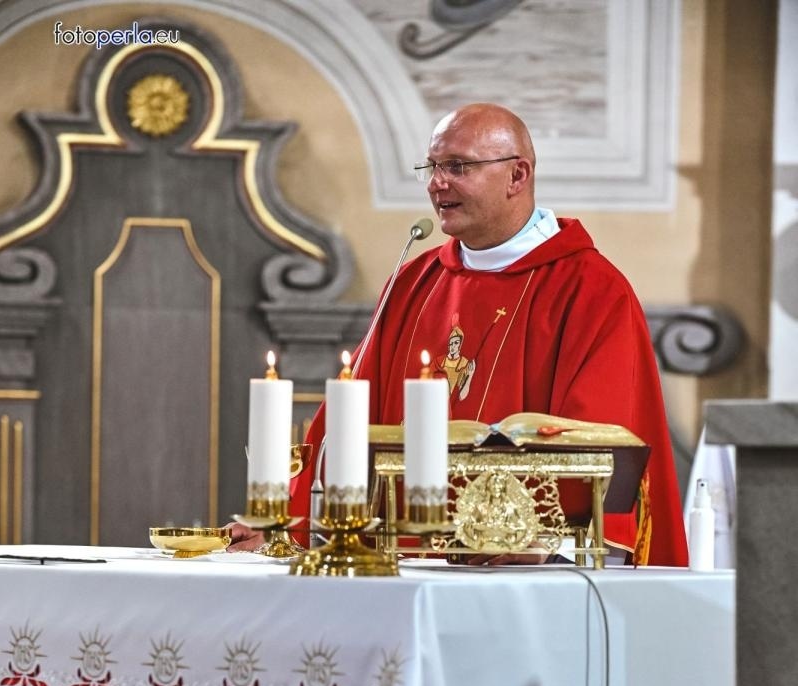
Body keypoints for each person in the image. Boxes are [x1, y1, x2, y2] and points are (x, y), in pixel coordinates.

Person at [230, 102, 687, 565]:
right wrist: (284, 520)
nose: (436, 182)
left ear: (517, 175)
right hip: (401, 560)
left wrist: (540, 544)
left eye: (457, 166)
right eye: (432, 166)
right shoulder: (414, 283)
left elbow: (600, 438)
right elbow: (348, 417)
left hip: (527, 569)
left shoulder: (590, 289)